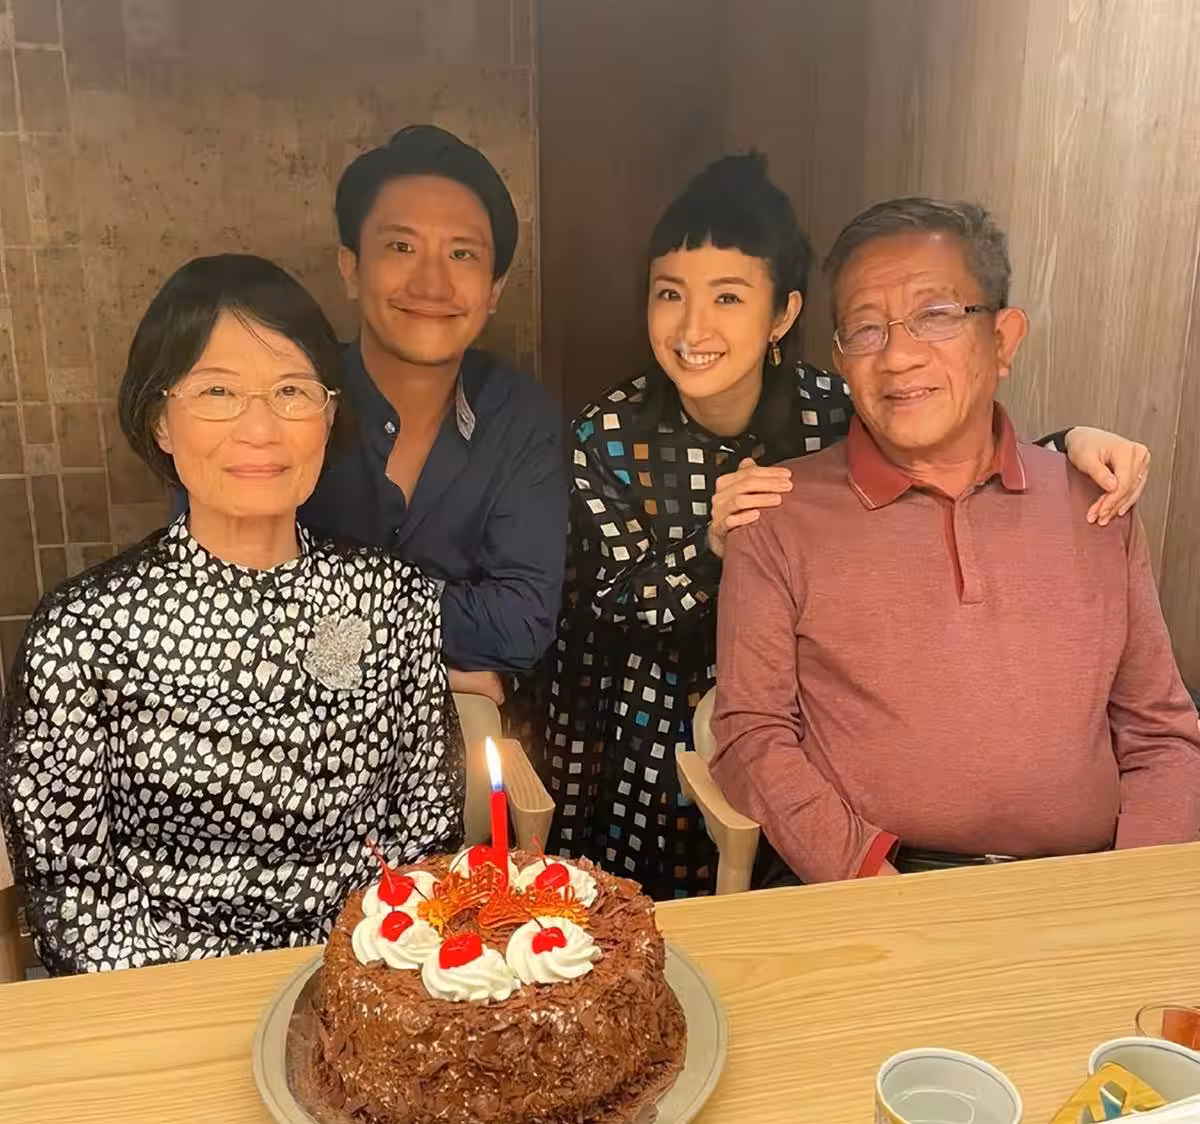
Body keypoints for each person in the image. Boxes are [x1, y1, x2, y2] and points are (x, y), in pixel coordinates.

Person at [544, 156, 1154, 901]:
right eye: (669, 293)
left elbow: (952, 442)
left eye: (728, 296)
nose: (694, 326)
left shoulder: (836, 402)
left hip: (835, 724)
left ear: (783, 315)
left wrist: (1067, 450)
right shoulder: (608, 434)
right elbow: (606, 603)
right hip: (658, 710)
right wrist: (711, 548)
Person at [711, 197, 1200, 883]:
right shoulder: (776, 513)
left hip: (1087, 884)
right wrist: (870, 882)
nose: (898, 356)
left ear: (1003, 340)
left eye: (937, 316)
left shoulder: (1097, 501)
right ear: (841, 361)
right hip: (880, 884)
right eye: (866, 328)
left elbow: (1160, 731)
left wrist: (1135, 894)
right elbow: (750, 737)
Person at [0, 255, 463, 974]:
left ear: (328, 415)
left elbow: (426, 831)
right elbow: (71, 890)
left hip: (363, 972)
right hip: (165, 992)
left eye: (291, 391)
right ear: (160, 419)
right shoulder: (81, 631)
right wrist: (203, 1001)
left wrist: (367, 976)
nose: (260, 428)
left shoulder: (391, 598)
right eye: (217, 390)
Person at [301, 125, 567, 710]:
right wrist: (417, 669)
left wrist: (323, 614)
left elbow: (521, 625)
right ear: (350, 268)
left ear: (494, 290)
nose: (431, 282)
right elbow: (218, 602)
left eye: (461, 254)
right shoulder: (285, 401)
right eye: (401, 247)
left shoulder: (523, 418)